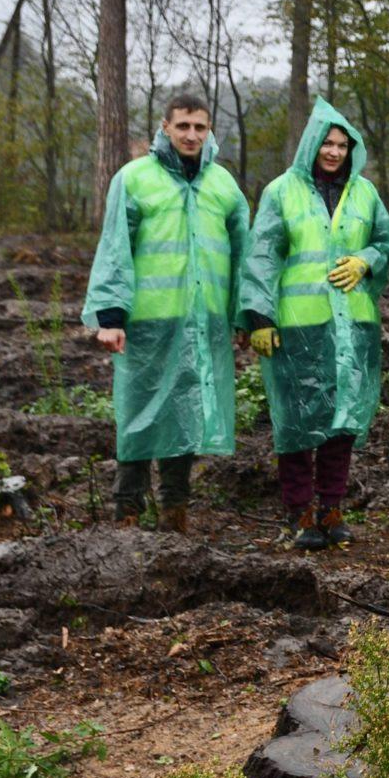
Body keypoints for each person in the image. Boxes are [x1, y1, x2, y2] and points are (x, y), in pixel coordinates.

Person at [83, 92, 250, 532]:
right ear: (165, 127)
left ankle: (175, 512)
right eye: (183, 127)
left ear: (209, 130)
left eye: (200, 127)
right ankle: (127, 513)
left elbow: (242, 256)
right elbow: (115, 247)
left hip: (203, 322)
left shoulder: (223, 185)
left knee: (186, 414)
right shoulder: (135, 178)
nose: (191, 135)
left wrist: (244, 315)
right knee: (138, 415)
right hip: (147, 323)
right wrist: (111, 317)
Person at [237, 99, 389, 550]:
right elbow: (262, 255)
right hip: (297, 326)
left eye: (343, 145)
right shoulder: (281, 191)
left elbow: (386, 241)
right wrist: (260, 317)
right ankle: (300, 511)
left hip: (352, 326)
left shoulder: (364, 193)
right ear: (311, 144)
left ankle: (332, 507)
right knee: (295, 421)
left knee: (341, 420)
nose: (334, 152)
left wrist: (366, 260)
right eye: (327, 142)